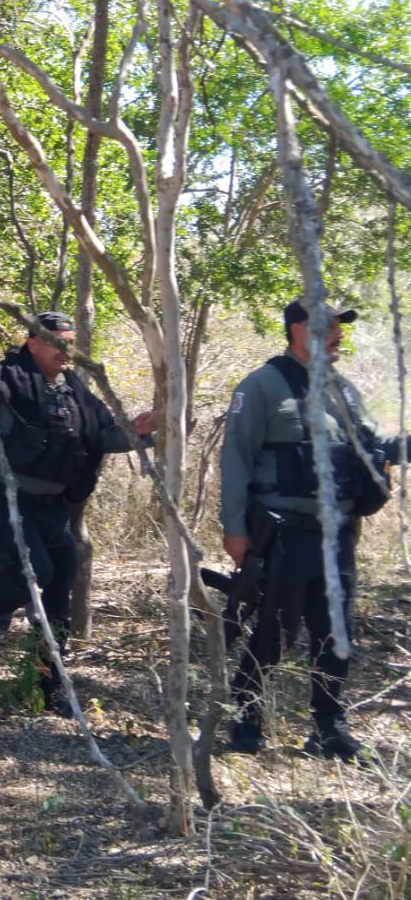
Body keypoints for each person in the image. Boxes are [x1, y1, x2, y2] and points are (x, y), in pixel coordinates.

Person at [0, 313, 156, 713]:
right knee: (36, 571)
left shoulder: (74, 390)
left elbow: (104, 436)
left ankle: (48, 684)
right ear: (33, 343)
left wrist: (142, 430)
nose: (65, 351)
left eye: (69, 343)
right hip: (6, 498)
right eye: (56, 342)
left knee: (60, 586)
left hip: (53, 506)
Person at [220, 300, 405, 760]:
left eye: (340, 327)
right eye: (329, 326)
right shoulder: (262, 386)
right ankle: (246, 716)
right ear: (299, 329)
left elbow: (374, 444)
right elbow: (236, 460)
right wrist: (235, 530)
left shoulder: (342, 388)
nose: (339, 335)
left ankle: (329, 728)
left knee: (335, 634)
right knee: (275, 631)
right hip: (286, 535)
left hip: (338, 534)